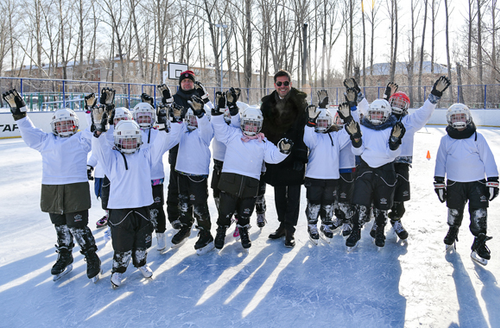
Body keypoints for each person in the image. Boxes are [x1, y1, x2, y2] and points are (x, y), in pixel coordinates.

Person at [2, 89, 101, 282]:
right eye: (60, 124)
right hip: (51, 188)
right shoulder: (46, 140)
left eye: (68, 123)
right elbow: (29, 133)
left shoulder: (81, 140)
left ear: (75, 125)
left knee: (78, 226)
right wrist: (20, 115)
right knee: (60, 226)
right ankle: (65, 254)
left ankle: (91, 256)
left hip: (75, 188)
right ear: (54, 126)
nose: (64, 127)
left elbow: (94, 135)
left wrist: (91, 110)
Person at [91, 104, 181, 288]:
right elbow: (99, 148)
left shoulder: (146, 155)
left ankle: (141, 263)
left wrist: (164, 126)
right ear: (117, 141)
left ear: (139, 140)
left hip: (142, 205)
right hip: (119, 208)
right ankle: (118, 270)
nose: (130, 143)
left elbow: (161, 143)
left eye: (133, 140)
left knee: (142, 240)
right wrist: (100, 130)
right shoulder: (112, 159)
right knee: (121, 243)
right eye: (126, 141)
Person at [211, 90, 292, 250]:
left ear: (259, 126)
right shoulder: (233, 135)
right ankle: (221, 231)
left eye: (254, 125)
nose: (250, 127)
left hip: (250, 184)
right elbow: (219, 129)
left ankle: (243, 230)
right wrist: (218, 112)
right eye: (248, 123)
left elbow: (272, 156)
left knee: (245, 211)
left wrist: (283, 150)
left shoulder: (263, 142)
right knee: (225, 209)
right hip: (230, 181)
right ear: (242, 123)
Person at [378, 76, 451, 240]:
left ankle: (396, 219)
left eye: (400, 103)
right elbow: (374, 110)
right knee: (381, 194)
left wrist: (435, 94)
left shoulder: (409, 121)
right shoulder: (383, 119)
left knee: (399, 197)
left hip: (402, 164)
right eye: (394, 102)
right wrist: (385, 97)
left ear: (406, 107)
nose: (397, 106)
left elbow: (425, 112)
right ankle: (379, 221)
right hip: (383, 163)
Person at [434, 103, 498, 265]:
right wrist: (439, 181)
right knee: (454, 210)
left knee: (479, 213)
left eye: (461, 116)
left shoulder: (477, 137)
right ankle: (453, 229)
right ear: (449, 120)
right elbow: (440, 162)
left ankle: (479, 241)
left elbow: (488, 159)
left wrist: (493, 180)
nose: (458, 120)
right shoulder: (445, 140)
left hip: (477, 183)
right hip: (455, 183)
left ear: (468, 118)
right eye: (455, 117)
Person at [260, 69, 308, 247]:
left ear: (290, 84)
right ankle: (282, 225)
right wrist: (266, 154)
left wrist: (301, 157)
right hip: (275, 155)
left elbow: (304, 132)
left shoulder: (301, 103)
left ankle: (290, 229)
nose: (282, 86)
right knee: (279, 193)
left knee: (294, 194)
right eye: (279, 83)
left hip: (294, 154)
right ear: (274, 85)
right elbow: (263, 130)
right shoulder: (266, 104)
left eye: (285, 83)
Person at [163, 71, 212, 230]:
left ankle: (197, 218)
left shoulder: (198, 99)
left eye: (189, 81)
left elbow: (211, 115)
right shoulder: (175, 99)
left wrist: (205, 98)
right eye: (183, 81)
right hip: (178, 147)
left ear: (193, 83)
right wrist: (166, 102)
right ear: (180, 83)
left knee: (196, 187)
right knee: (176, 185)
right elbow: (167, 116)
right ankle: (175, 216)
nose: (186, 83)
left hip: (196, 148)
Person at [169, 95, 215, 255]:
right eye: (191, 118)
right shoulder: (183, 131)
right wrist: (176, 118)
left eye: (197, 118)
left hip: (197, 175)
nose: (193, 121)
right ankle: (185, 226)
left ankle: (206, 234)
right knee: (183, 204)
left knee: (200, 207)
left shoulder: (204, 133)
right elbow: (173, 133)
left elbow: (206, 128)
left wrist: (200, 114)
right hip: (181, 172)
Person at [303, 99, 353, 244]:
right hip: (314, 176)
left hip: (331, 177)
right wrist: (310, 122)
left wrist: (347, 118)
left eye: (324, 122)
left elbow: (348, 132)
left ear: (329, 122)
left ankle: (325, 224)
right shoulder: (313, 137)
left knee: (328, 203)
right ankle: (312, 225)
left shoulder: (336, 137)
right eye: (319, 122)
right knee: (314, 203)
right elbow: (307, 137)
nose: (321, 125)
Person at [131, 100, 170, 251]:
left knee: (157, 208)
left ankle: (160, 234)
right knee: (139, 209)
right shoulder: (132, 131)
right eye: (141, 117)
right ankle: (140, 236)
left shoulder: (157, 132)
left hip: (155, 177)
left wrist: (164, 126)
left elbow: (166, 140)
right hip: (137, 178)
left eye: (147, 117)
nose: (144, 120)